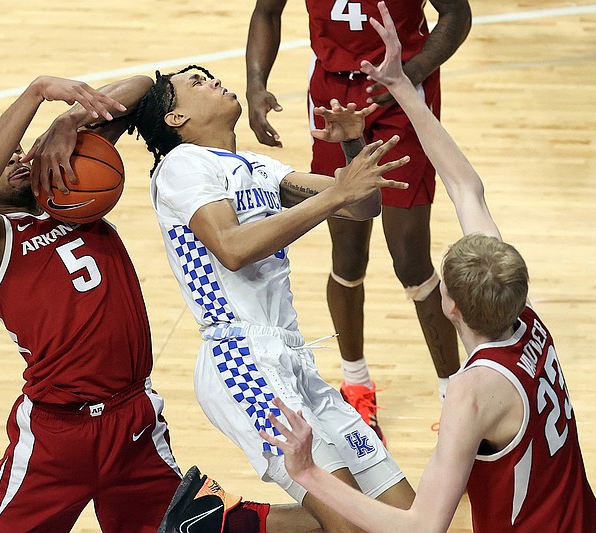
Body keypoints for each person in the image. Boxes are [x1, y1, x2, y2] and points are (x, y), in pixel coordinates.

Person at [260, 4, 596, 531]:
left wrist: (309, 474)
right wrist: (402, 85)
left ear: (450, 306)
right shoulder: (527, 324)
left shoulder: (473, 393)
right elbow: (466, 186)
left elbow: (422, 527)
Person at [109, 62, 418, 533]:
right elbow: (232, 249)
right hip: (240, 360)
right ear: (176, 120)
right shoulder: (181, 166)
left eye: (208, 74)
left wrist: (351, 146)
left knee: (406, 518)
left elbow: (361, 205)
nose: (213, 80)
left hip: (292, 356)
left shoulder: (257, 166)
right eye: (196, 82)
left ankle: (217, 524)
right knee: (353, 525)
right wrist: (335, 194)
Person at [0, 74, 188, 533]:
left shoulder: (67, 188)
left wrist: (69, 121)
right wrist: (37, 91)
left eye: (14, 150)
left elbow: (143, 88)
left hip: (134, 420)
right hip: (57, 435)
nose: (12, 158)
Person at [246, 0, 472, 442]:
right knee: (347, 255)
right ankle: (355, 385)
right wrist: (256, 85)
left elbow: (456, 13)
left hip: (400, 90)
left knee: (410, 260)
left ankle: (456, 398)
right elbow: (267, 11)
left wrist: (415, 69)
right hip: (332, 95)